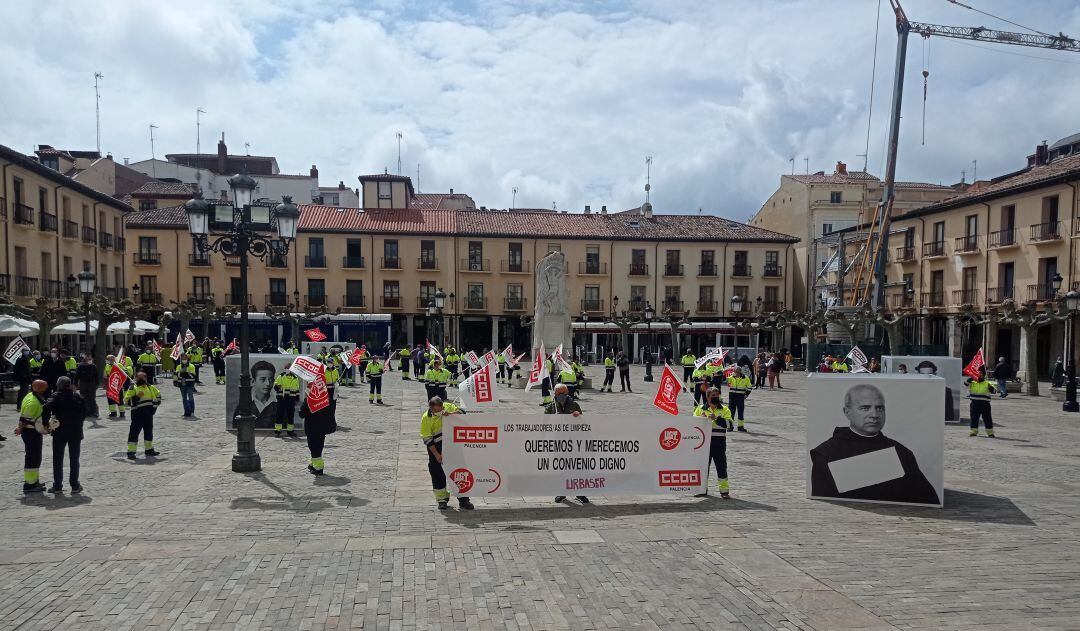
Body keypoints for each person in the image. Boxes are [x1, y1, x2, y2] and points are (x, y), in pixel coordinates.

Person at [809, 384, 940, 505]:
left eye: (879, 408)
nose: (874, 415)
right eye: (865, 408)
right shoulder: (827, 454)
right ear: (847, 412)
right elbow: (826, 503)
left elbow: (927, 499)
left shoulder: (901, 452)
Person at [419, 396, 474, 510]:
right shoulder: (426, 418)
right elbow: (427, 438)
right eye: (437, 411)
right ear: (431, 408)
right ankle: (442, 500)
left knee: (460, 472)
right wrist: (437, 455)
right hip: (436, 447)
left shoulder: (447, 406)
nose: (440, 411)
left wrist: (451, 413)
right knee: (437, 473)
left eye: (441, 409)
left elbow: (463, 412)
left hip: (454, 446)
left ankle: (464, 500)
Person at [42, 376, 86, 493]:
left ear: (59, 385)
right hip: (75, 432)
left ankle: (57, 486)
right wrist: (78, 422)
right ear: (69, 385)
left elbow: (46, 407)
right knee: (74, 459)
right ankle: (75, 485)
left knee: (57, 459)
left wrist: (45, 423)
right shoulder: (77, 396)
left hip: (60, 432)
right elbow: (84, 412)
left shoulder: (56, 396)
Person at [547, 383, 589, 504]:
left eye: (564, 393)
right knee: (562, 467)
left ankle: (579, 492)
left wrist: (578, 416)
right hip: (559, 442)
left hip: (574, 441)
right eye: (559, 393)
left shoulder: (574, 404)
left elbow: (583, 422)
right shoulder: (551, 407)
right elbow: (543, 423)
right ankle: (561, 492)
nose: (562, 395)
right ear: (555, 394)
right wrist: (553, 419)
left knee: (577, 467)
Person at [694, 387, 732, 498]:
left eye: (717, 395)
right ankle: (702, 490)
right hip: (704, 443)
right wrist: (700, 419)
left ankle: (724, 491)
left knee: (721, 467)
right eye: (713, 396)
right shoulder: (700, 409)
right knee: (704, 467)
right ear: (708, 397)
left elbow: (730, 425)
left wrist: (716, 419)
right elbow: (692, 425)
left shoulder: (725, 409)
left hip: (719, 443)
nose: (716, 397)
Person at [15, 380, 50, 493]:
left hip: (33, 432)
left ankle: (34, 481)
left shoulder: (31, 395)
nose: (46, 391)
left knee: (36, 457)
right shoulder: (33, 402)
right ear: (40, 390)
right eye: (44, 389)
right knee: (32, 458)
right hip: (31, 433)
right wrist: (20, 428)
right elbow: (24, 419)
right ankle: (30, 485)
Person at [298, 382, 336, 476]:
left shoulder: (309, 400)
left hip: (312, 428)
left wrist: (304, 403)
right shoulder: (326, 399)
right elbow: (331, 411)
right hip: (322, 428)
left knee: (314, 447)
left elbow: (301, 414)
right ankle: (313, 463)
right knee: (319, 446)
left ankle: (318, 468)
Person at [124, 372, 161, 460]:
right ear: (136, 378)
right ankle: (131, 452)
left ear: (146, 378)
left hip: (148, 414)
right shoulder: (133, 388)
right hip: (137, 414)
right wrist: (136, 397)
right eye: (139, 378)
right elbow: (126, 400)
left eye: (143, 377)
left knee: (148, 432)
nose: (141, 379)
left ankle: (149, 449)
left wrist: (154, 407)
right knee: (134, 433)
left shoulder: (151, 387)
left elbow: (158, 396)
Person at [966, 367, 997, 438]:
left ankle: (990, 433)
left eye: (979, 374)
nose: (978, 375)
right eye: (977, 374)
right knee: (974, 418)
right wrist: (969, 380)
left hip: (985, 404)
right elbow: (965, 384)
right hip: (974, 403)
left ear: (983, 375)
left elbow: (995, 391)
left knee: (987, 418)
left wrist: (991, 388)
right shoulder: (972, 382)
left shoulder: (987, 383)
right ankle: (973, 431)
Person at [272, 367, 300, 437]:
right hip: (281, 399)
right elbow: (275, 386)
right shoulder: (281, 376)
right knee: (279, 415)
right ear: (285, 369)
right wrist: (277, 386)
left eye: (289, 368)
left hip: (291, 399)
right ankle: (277, 431)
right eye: (287, 368)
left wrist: (297, 398)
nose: (288, 370)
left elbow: (297, 389)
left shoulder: (295, 378)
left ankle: (290, 431)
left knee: (290, 416)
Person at [250, 361, 278, 427]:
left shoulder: (279, 405)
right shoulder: (244, 406)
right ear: (253, 381)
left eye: (270, 380)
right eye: (263, 379)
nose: (268, 383)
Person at [726, 367, 752, 432]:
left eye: (737, 372)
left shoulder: (745, 378)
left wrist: (746, 395)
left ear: (740, 371)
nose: (736, 373)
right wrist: (726, 376)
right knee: (731, 412)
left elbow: (749, 387)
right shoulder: (731, 376)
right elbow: (727, 382)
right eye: (735, 371)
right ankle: (730, 426)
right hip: (732, 396)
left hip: (740, 396)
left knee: (740, 412)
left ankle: (740, 426)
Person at [74, 353, 100, 418]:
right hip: (83, 384)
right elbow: (77, 375)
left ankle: (94, 412)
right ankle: (87, 412)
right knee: (84, 398)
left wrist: (97, 384)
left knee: (92, 398)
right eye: (88, 357)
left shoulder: (93, 366)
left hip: (92, 384)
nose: (89, 359)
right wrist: (75, 383)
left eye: (90, 357)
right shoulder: (80, 366)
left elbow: (96, 376)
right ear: (85, 358)